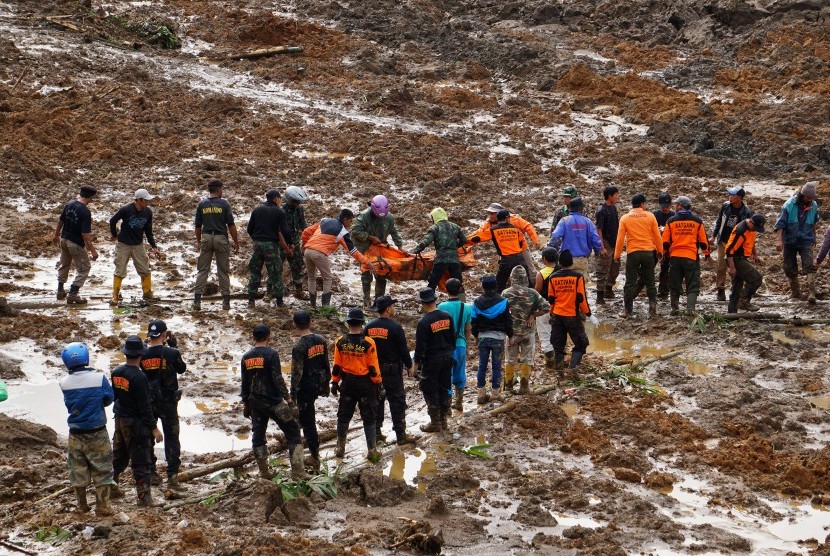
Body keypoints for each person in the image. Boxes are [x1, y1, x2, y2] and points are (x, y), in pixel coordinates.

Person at [240, 324, 307, 479]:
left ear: (253, 337)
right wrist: (289, 400)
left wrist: (246, 403)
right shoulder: (271, 354)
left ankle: (264, 472)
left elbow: (245, 382)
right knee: (293, 431)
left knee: (258, 435)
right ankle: (298, 471)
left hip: (255, 402)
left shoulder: (246, 357)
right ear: (269, 336)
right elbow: (278, 379)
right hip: (274, 402)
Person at [59, 342, 115, 516]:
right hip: (97, 431)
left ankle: (82, 505)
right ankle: (103, 506)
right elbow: (108, 398)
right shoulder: (99, 379)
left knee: (77, 469)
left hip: (75, 433)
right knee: (103, 467)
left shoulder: (64, 383)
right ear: (86, 358)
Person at [111, 335, 163, 507]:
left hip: (120, 418)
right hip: (135, 422)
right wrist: (154, 428)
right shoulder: (140, 378)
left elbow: (115, 396)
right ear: (141, 354)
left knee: (119, 454)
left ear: (126, 354)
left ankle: (111, 486)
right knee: (141, 459)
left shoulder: (116, 372)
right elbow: (145, 406)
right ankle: (144, 498)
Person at [364, 296, 418, 445]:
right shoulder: (395, 327)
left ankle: (377, 434)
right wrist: (409, 365)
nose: (394, 308)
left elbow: (365, 350)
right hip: (392, 371)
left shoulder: (368, 327)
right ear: (388, 308)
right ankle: (401, 436)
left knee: (376, 401)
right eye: (393, 305)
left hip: (374, 371)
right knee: (397, 401)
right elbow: (403, 349)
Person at [140, 320, 187, 489]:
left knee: (148, 437)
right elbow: (182, 369)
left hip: (149, 401)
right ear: (164, 334)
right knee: (172, 438)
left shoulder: (142, 355)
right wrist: (174, 346)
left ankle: (152, 472)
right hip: (168, 402)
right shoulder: (172, 353)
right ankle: (172, 476)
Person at [331, 308, 383, 460]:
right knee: (369, 417)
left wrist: (334, 383)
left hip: (347, 384)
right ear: (362, 323)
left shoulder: (340, 342)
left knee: (343, 416)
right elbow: (373, 368)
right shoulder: (368, 343)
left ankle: (340, 447)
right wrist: (379, 384)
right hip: (365, 384)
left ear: (348, 323)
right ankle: (372, 450)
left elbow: (336, 366)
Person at [302, 209, 376, 307]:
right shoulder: (342, 232)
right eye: (350, 221)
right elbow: (353, 251)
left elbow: (306, 232)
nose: (351, 223)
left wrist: (304, 246)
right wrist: (367, 263)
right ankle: (325, 307)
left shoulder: (324, 220)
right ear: (345, 219)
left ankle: (313, 306)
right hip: (319, 253)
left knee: (311, 277)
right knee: (327, 278)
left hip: (308, 250)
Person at [290, 311, 331, 474]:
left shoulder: (299, 346)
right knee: (309, 421)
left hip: (305, 388)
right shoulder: (320, 340)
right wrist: (326, 384)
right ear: (310, 322)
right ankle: (314, 454)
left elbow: (296, 373)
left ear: (295, 325)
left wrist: (292, 395)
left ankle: (313, 457)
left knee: (304, 424)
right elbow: (326, 364)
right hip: (317, 384)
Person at [614, 193, 664, 318]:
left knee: (630, 282)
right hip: (648, 252)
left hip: (633, 253)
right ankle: (652, 310)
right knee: (650, 282)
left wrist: (617, 255)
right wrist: (660, 251)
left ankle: (627, 311)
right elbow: (657, 236)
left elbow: (620, 239)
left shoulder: (625, 218)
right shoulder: (650, 216)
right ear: (642, 204)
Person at [351, 195, 405, 308]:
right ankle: (366, 299)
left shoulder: (389, 218)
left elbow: (394, 231)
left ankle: (379, 301)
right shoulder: (364, 216)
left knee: (381, 272)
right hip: (364, 247)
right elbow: (355, 231)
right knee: (366, 273)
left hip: (380, 248)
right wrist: (370, 237)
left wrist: (400, 246)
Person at [193, 179, 240, 311]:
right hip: (221, 238)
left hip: (206, 237)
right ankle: (226, 301)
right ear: (218, 189)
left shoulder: (202, 204)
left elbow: (197, 226)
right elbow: (231, 225)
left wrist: (198, 241)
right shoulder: (224, 204)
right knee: (223, 271)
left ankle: (197, 301)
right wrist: (236, 242)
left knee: (202, 270)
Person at [468, 202, 543, 283]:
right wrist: (465, 241)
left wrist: (535, 241)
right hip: (506, 251)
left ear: (499, 214)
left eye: (492, 213)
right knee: (506, 271)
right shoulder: (489, 223)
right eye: (489, 213)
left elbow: (528, 226)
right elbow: (479, 234)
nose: (490, 215)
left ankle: (535, 286)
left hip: (521, 248)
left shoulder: (514, 219)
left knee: (530, 268)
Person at [414, 288, 456, 432]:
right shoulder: (447, 316)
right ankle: (443, 420)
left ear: (422, 303)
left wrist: (415, 365)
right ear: (435, 300)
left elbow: (420, 347)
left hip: (432, 360)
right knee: (444, 387)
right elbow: (453, 337)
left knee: (430, 389)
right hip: (447, 357)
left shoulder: (424, 322)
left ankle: (436, 422)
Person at [108, 189, 160, 305]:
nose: (148, 202)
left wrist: (154, 247)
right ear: (139, 200)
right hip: (123, 244)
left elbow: (148, 231)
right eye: (146, 200)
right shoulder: (126, 209)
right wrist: (114, 235)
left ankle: (147, 293)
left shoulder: (148, 212)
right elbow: (112, 220)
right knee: (120, 269)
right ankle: (115, 296)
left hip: (138, 244)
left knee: (145, 269)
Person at [501, 266, 548, 395]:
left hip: (512, 333)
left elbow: (500, 311)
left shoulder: (506, 293)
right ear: (525, 278)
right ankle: (524, 387)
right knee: (528, 359)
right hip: (528, 331)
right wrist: (533, 316)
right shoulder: (533, 293)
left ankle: (509, 387)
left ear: (512, 278)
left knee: (510, 359)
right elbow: (546, 307)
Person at [662, 197, 710, 315]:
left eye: (677, 204)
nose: (675, 207)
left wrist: (663, 255)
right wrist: (707, 254)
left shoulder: (671, 221)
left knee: (674, 284)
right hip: (691, 257)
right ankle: (690, 309)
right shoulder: (697, 221)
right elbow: (703, 241)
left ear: (681, 206)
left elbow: (665, 242)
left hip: (675, 257)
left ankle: (674, 309)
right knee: (693, 284)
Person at [547, 250, 593, 373]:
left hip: (557, 315)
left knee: (558, 345)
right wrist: (589, 314)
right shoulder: (578, 277)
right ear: (572, 263)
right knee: (581, 343)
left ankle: (560, 370)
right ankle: (573, 368)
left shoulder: (553, 277)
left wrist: (551, 315)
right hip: (572, 316)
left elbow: (551, 299)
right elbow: (581, 298)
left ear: (559, 263)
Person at [246, 189, 293, 308]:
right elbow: (285, 230)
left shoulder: (257, 210)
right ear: (276, 198)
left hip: (257, 244)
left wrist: (256, 240)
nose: (280, 201)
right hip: (271, 245)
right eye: (280, 198)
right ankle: (280, 301)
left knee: (255, 272)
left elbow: (249, 229)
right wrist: (290, 243)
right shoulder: (279, 212)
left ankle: (251, 300)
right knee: (275, 273)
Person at [774, 181, 820, 303]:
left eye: (812, 197)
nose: (810, 199)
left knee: (809, 265)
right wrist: (779, 240)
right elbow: (780, 224)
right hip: (790, 240)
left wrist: (814, 236)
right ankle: (795, 291)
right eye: (808, 197)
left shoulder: (813, 205)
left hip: (806, 240)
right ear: (802, 195)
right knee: (789, 267)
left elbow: (814, 222)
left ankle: (811, 293)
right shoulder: (789, 205)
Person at [471, 275, 513, 404]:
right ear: (495, 286)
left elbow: (474, 321)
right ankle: (495, 393)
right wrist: (510, 336)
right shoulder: (503, 301)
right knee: (496, 366)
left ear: (483, 287)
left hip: (483, 338)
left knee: (482, 366)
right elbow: (508, 321)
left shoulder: (476, 302)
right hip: (499, 338)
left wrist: (476, 336)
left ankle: (481, 394)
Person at [53, 185, 98, 304]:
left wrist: (56, 235)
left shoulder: (70, 204)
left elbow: (61, 220)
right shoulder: (85, 212)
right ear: (91, 197)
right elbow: (85, 234)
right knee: (84, 268)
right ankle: (73, 293)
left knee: (65, 264)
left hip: (64, 239)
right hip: (75, 243)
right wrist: (92, 250)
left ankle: (60, 290)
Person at [471, 209, 533, 292]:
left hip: (506, 261)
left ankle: (497, 302)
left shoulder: (493, 229)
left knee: (499, 285)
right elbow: (521, 243)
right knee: (528, 284)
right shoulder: (515, 229)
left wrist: (464, 241)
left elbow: (478, 238)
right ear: (507, 218)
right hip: (520, 259)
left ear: (497, 218)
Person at [548, 197, 606, 284]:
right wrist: (599, 250)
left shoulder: (564, 221)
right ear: (581, 209)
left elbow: (555, 236)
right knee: (580, 287)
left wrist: (552, 250)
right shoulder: (587, 222)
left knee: (567, 286)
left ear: (570, 208)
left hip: (566, 261)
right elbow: (595, 238)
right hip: (582, 261)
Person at [411, 207, 468, 292]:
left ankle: (429, 301)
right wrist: (454, 246)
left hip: (441, 260)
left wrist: (413, 252)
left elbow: (425, 242)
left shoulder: (435, 228)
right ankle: (462, 303)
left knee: (432, 283)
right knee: (458, 284)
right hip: (454, 260)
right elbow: (464, 240)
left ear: (434, 217)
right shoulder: (456, 227)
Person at [711, 186, 753, 301]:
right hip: (723, 240)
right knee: (721, 266)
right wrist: (714, 235)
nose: (729, 197)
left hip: (736, 244)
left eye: (732, 195)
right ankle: (720, 289)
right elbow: (719, 221)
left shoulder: (746, 212)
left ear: (739, 198)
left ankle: (736, 290)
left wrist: (752, 250)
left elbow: (750, 232)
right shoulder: (725, 206)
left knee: (737, 267)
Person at [437, 278, 472, 411]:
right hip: (461, 345)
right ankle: (459, 402)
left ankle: (447, 405)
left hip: (446, 347)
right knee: (460, 373)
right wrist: (467, 345)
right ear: (460, 290)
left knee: (447, 375)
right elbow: (468, 328)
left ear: (445, 290)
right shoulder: (467, 307)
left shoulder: (441, 307)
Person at [726, 214, 766, 313]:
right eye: (755, 227)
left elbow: (751, 242)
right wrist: (732, 267)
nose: (755, 230)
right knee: (756, 279)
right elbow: (729, 250)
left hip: (742, 258)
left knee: (737, 286)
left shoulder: (752, 229)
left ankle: (732, 312)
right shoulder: (740, 231)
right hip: (735, 258)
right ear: (750, 222)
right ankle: (744, 301)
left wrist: (755, 255)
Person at [281, 186, 310, 300]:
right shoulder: (281, 211)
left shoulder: (300, 210)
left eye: (298, 201)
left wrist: (309, 238)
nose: (297, 204)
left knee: (297, 266)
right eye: (294, 201)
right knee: (277, 266)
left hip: (295, 242)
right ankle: (273, 290)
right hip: (282, 242)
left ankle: (299, 291)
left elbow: (303, 225)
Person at [594, 185, 620, 304]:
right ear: (610, 196)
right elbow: (599, 229)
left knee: (615, 267)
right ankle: (599, 296)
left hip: (614, 242)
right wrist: (602, 247)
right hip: (605, 242)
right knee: (602, 268)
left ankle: (608, 290)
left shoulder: (613, 208)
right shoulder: (601, 210)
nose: (617, 197)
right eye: (616, 194)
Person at [534, 248, 558, 367]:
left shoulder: (541, 273)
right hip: (560, 306)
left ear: (544, 259)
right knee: (558, 332)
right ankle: (559, 358)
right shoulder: (561, 271)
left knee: (544, 332)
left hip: (545, 305)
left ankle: (549, 360)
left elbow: (537, 291)